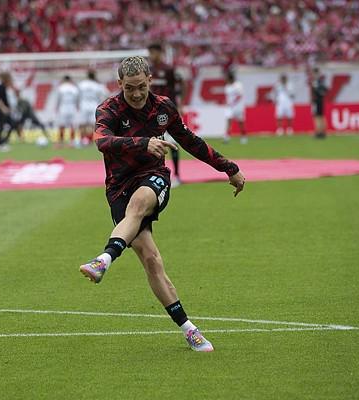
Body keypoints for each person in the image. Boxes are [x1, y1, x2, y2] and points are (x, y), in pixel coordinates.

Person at [79, 56, 245, 352]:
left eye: (141, 87)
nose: (136, 94)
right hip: (117, 187)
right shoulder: (109, 108)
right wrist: (144, 142)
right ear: (119, 84)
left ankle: (103, 260)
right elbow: (102, 141)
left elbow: (191, 141)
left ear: (150, 80)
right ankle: (189, 329)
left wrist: (228, 167)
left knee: (139, 203)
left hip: (153, 177)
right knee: (152, 260)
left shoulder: (163, 107)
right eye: (129, 88)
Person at [147, 43, 185, 187]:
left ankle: (177, 175)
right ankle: (155, 174)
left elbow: (182, 83)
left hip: (168, 111)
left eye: (153, 52)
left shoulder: (168, 69)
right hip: (152, 112)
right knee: (154, 143)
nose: (151, 55)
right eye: (150, 52)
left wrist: (180, 104)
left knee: (173, 142)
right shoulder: (149, 70)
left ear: (159, 52)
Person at [78, 70, 108, 146]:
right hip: (94, 105)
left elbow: (77, 95)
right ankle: (90, 140)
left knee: (82, 124)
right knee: (93, 124)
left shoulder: (82, 84)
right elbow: (105, 94)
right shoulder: (98, 85)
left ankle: (83, 139)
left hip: (83, 105)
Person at [223, 71, 247, 144]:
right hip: (229, 107)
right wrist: (227, 102)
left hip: (238, 107)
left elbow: (240, 95)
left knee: (240, 122)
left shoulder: (238, 85)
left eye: (226, 77)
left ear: (230, 78)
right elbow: (227, 97)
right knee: (228, 120)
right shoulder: (227, 86)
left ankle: (243, 137)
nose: (225, 79)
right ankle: (226, 138)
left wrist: (233, 102)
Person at [55, 75, 79, 147]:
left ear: (64, 80)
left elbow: (58, 99)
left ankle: (61, 142)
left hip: (63, 107)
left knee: (61, 125)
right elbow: (77, 99)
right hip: (72, 107)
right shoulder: (74, 88)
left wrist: (57, 107)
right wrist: (77, 106)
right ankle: (72, 142)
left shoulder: (61, 88)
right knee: (72, 125)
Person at [0, 72, 17, 151]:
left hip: (6, 110)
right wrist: (4, 108)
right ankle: (0, 143)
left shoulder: (6, 87)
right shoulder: (0, 88)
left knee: (12, 124)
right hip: (1, 110)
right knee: (1, 126)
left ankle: (3, 141)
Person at [311, 68, 328, 139]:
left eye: (313, 73)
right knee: (321, 116)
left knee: (317, 117)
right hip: (321, 100)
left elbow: (316, 91)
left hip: (317, 101)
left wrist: (319, 92)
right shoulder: (322, 81)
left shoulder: (316, 81)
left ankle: (318, 132)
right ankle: (323, 132)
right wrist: (322, 93)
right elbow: (326, 89)